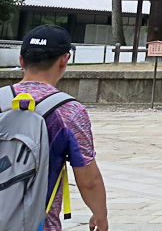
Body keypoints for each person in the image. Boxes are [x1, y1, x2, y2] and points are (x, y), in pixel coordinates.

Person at [9, 25, 109, 231]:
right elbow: (88, 177)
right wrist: (100, 215)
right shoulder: (69, 111)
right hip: (38, 224)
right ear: (64, 60)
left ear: (21, 61)